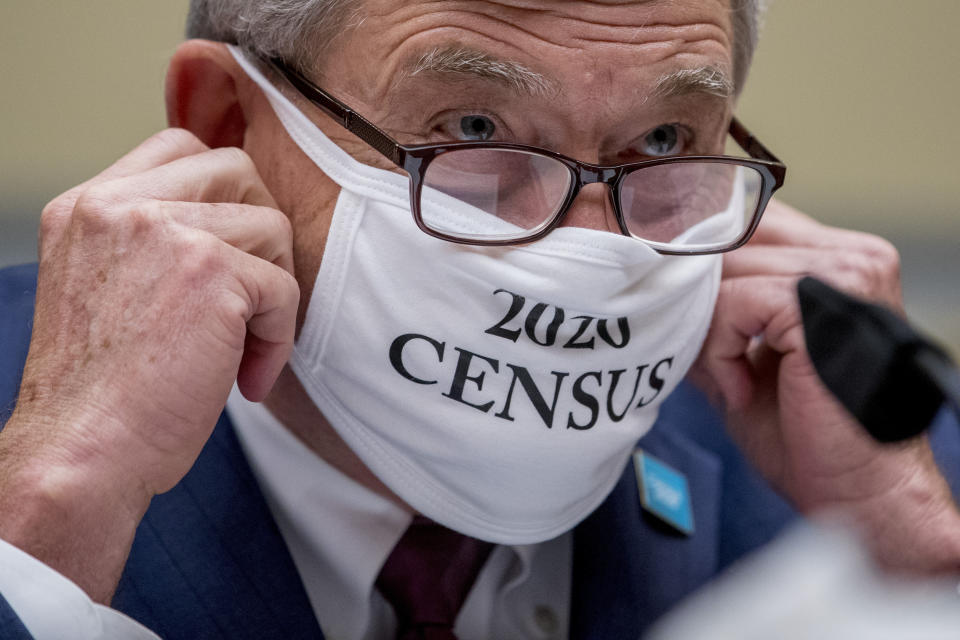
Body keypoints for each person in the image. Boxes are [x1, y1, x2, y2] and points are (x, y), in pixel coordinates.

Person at [1, 1, 959, 638]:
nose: (582, 243)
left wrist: (907, 556)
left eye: (663, 140)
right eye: (473, 132)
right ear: (225, 123)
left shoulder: (877, 454)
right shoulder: (37, 459)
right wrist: (51, 511)